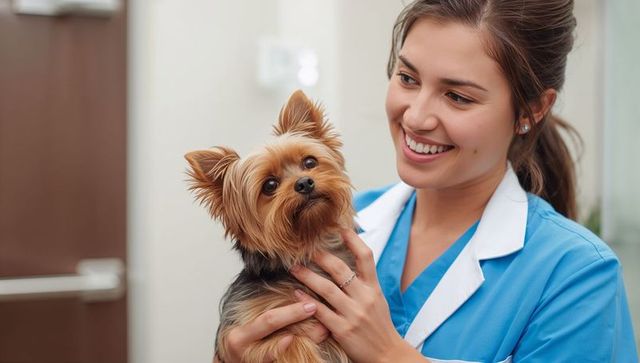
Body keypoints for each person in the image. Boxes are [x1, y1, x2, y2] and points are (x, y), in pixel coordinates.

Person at [216, 0, 639, 362]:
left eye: (458, 96)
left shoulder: (578, 275)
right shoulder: (328, 227)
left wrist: (389, 355)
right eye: (407, 78)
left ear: (530, 110)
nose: (416, 117)